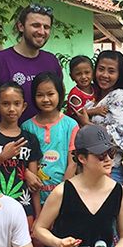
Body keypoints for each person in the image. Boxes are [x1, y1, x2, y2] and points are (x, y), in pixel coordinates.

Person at [0, 4, 62, 123]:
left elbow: (58, 100)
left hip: (47, 137)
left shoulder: (51, 61)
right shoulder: (0, 60)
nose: (41, 31)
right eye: (36, 25)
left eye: (46, 27)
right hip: (10, 138)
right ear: (21, 26)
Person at [0, 83, 43, 219]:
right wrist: (2, 157)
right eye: (6, 104)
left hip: (23, 205)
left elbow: (34, 184)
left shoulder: (30, 139)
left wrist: (39, 216)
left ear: (23, 106)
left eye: (16, 104)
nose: (11, 109)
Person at [74, 50, 123, 184]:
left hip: (109, 170)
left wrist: (87, 124)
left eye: (111, 71)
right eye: (101, 69)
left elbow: (119, 136)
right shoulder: (94, 96)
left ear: (120, 74)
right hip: (88, 170)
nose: (105, 75)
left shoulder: (119, 96)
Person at [22, 71, 79, 204]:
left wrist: (61, 194)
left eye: (51, 94)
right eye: (40, 95)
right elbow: (21, 160)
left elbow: (73, 163)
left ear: (59, 94)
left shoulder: (70, 125)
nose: (46, 99)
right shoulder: (26, 127)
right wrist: (26, 173)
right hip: (32, 197)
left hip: (63, 195)